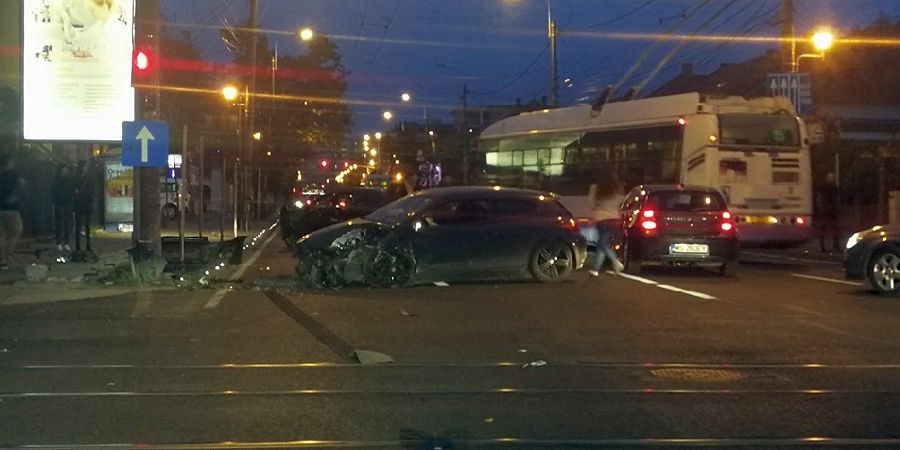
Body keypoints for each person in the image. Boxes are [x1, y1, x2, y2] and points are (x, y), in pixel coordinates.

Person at [584, 177, 625, 277]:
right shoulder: (616, 187)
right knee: (602, 244)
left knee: (603, 243)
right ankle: (596, 269)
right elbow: (621, 202)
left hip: (602, 218)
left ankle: (615, 262)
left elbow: (591, 204)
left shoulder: (595, 187)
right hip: (614, 218)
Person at [0, 152, 25, 270]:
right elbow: (22, 184)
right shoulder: (14, 174)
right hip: (11, 209)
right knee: (16, 231)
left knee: (2, 234)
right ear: (9, 162)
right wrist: (15, 196)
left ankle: (3, 260)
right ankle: (8, 253)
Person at [51, 164, 75, 252]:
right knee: (60, 223)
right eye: (64, 170)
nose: (65, 172)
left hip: (67, 203)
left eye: (66, 170)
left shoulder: (69, 180)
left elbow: (72, 190)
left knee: (67, 223)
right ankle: (59, 242)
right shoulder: (57, 180)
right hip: (60, 203)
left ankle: (66, 242)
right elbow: (53, 191)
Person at [815, 172, 841, 253]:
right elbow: (837, 198)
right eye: (831, 177)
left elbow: (820, 198)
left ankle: (827, 246)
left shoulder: (829, 187)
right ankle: (832, 246)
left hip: (828, 210)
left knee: (828, 228)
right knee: (832, 228)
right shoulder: (832, 187)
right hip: (829, 210)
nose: (831, 179)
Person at [73, 160, 95, 253]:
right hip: (84, 203)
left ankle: (83, 244)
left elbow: (91, 189)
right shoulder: (85, 178)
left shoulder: (78, 177)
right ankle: (82, 244)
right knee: (82, 225)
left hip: (82, 203)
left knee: (84, 225)